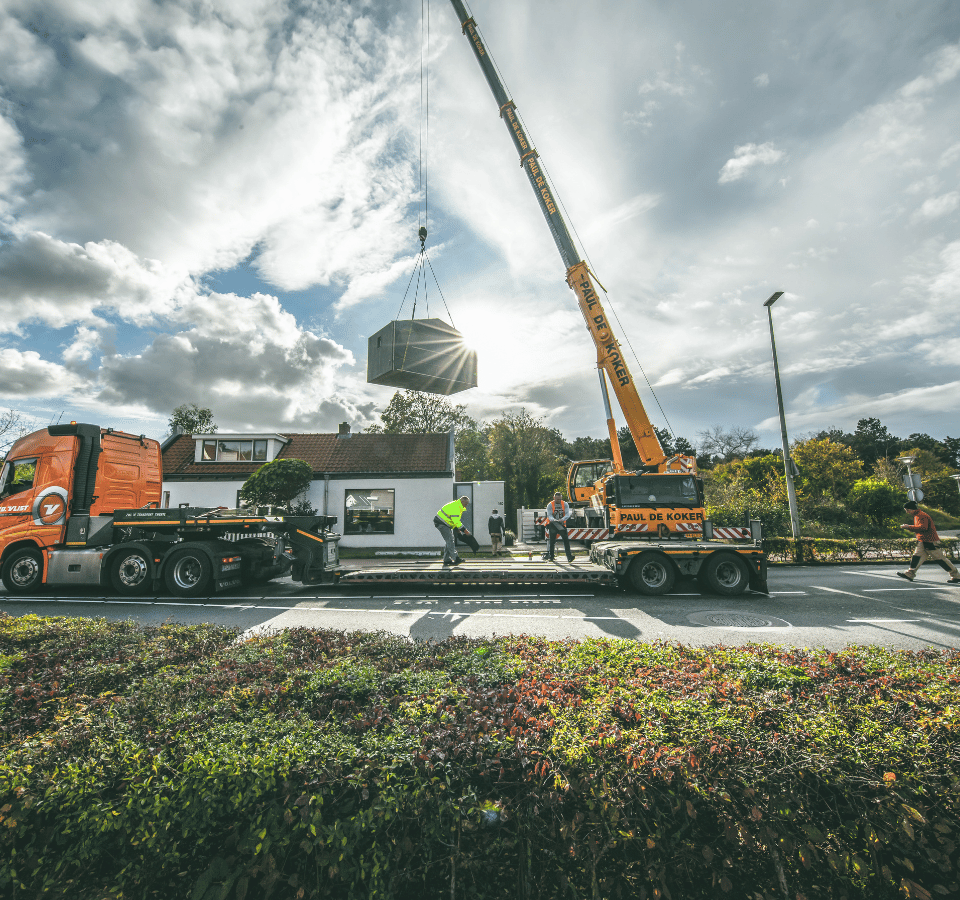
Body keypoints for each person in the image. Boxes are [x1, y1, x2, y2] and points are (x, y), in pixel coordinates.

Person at [898, 500, 960, 583]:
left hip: (930, 541)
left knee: (940, 559)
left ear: (912, 509)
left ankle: (956, 576)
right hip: (924, 540)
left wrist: (908, 527)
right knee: (916, 557)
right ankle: (909, 574)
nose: (907, 512)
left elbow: (923, 528)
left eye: (907, 510)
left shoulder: (921, 516)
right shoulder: (918, 515)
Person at [435, 496, 471, 566]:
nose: (466, 505)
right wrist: (465, 531)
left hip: (444, 523)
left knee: (449, 540)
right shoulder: (456, 507)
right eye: (466, 503)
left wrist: (457, 529)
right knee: (450, 540)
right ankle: (456, 558)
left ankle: (446, 559)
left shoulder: (457, 506)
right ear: (462, 501)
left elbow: (453, 520)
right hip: (442, 523)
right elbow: (456, 521)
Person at [544, 491, 575, 562]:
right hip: (553, 524)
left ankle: (569, 557)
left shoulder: (565, 504)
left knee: (566, 540)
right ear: (554, 498)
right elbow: (549, 515)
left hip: (561, 524)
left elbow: (567, 514)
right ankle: (551, 557)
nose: (559, 501)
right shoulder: (550, 505)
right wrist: (554, 520)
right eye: (557, 499)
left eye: (560, 499)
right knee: (552, 541)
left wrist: (562, 519)